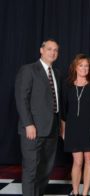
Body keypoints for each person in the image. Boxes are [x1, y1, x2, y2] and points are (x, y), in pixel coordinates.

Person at [15, 39, 60, 196]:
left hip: (52, 128)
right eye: (49, 49)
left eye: (55, 50)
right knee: (31, 169)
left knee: (46, 168)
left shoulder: (57, 73)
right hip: (32, 129)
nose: (52, 52)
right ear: (41, 50)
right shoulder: (29, 70)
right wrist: (28, 124)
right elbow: (22, 99)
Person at [60, 54, 90, 196]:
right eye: (81, 65)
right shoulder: (67, 85)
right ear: (75, 67)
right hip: (73, 128)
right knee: (77, 161)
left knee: (89, 159)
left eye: (86, 66)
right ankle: (75, 191)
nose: (84, 68)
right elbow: (63, 110)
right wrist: (63, 130)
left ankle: (85, 193)